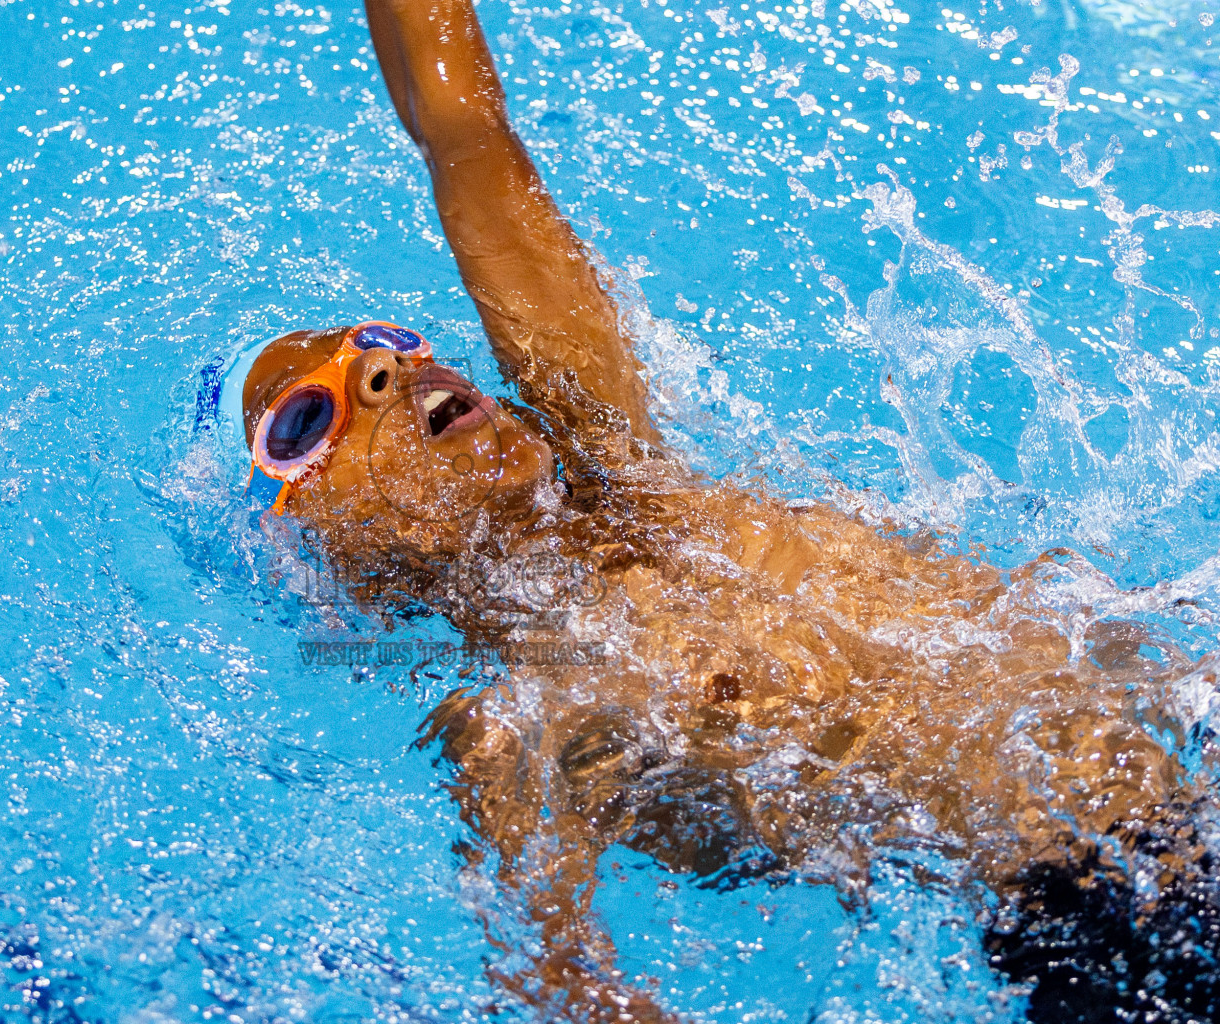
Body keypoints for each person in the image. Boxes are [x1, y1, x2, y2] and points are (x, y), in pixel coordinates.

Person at [240, 2, 1220, 1020]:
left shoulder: (623, 468)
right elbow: (564, 979)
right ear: (334, 554)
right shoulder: (513, 719)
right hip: (1094, 913)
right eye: (309, 416)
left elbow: (465, 135)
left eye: (379, 340)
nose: (385, 372)